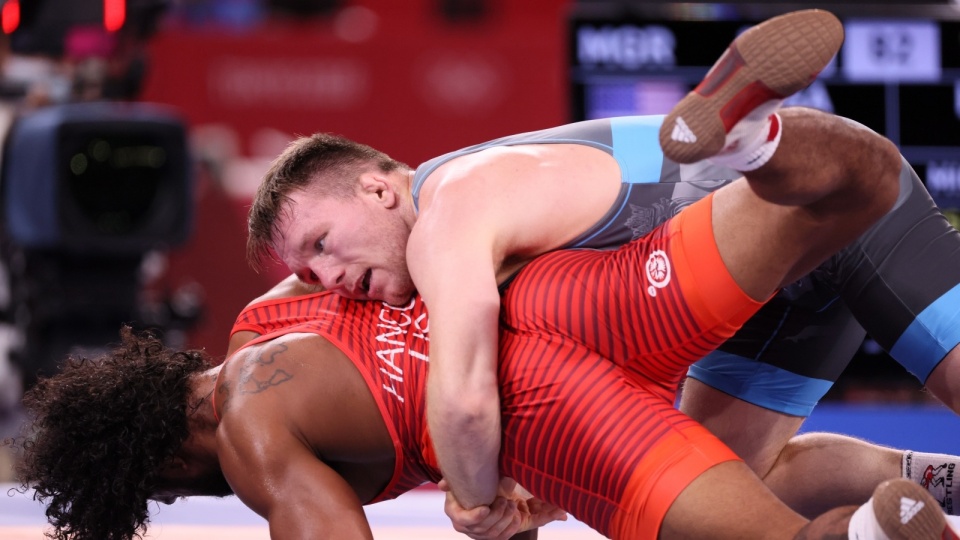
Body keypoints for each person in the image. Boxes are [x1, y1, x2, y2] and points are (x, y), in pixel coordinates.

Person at [245, 7, 960, 527]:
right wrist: (540, 504)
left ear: (377, 187)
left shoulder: (449, 220)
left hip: (819, 202)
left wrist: (477, 500)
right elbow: (592, 386)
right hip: (765, 292)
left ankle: (752, 142)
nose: (327, 276)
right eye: (308, 273)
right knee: (735, 483)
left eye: (322, 244)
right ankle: (946, 485)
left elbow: (465, 401)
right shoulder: (471, 220)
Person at [10, 244, 957, 540]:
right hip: (589, 296)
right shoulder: (268, 309)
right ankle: (931, 483)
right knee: (743, 469)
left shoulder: (254, 444)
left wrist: (492, 488)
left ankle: (876, 531)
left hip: (543, 398)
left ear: (167, 456)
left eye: (170, 490)